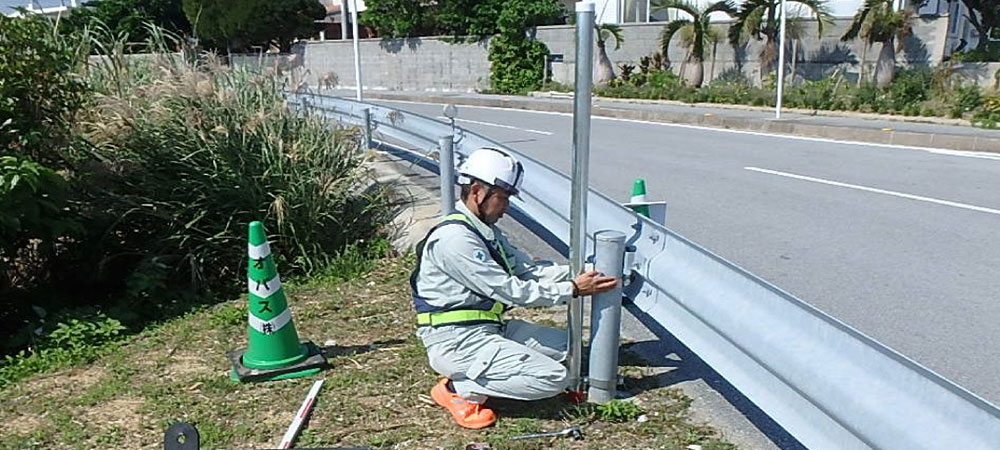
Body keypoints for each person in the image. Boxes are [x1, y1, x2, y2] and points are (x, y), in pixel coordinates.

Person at [410, 147, 618, 429]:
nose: (507, 206)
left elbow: (528, 271)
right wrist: (573, 288)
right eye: (503, 197)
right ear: (477, 191)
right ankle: (459, 390)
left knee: (573, 351)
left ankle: (481, 375)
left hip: (490, 329)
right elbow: (510, 290)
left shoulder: (485, 232)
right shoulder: (455, 240)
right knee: (554, 378)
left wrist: (583, 272)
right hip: (457, 341)